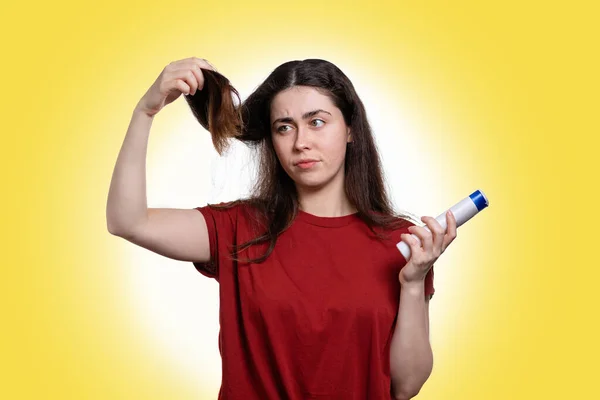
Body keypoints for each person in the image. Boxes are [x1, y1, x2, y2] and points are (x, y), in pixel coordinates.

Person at [106, 57, 457, 400]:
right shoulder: (238, 228)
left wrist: (413, 284)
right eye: (284, 127)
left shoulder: (403, 242)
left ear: (350, 129)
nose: (300, 141)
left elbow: (405, 386)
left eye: (317, 122)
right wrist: (145, 112)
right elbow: (128, 221)